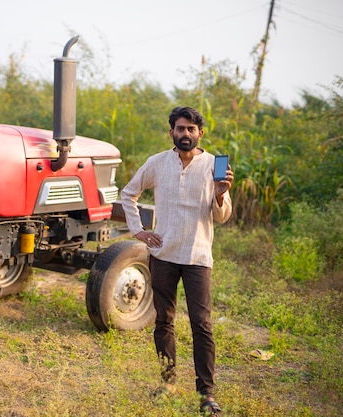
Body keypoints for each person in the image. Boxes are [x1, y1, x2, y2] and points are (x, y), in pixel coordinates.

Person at [120, 106, 233, 416]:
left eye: (191, 129)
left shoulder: (213, 166)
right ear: (171, 131)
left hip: (197, 256)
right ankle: (168, 382)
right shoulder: (157, 163)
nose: (185, 134)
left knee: (202, 324)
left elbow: (222, 217)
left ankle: (206, 393)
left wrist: (221, 194)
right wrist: (139, 231)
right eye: (180, 128)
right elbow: (128, 194)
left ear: (200, 133)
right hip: (164, 255)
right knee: (163, 320)